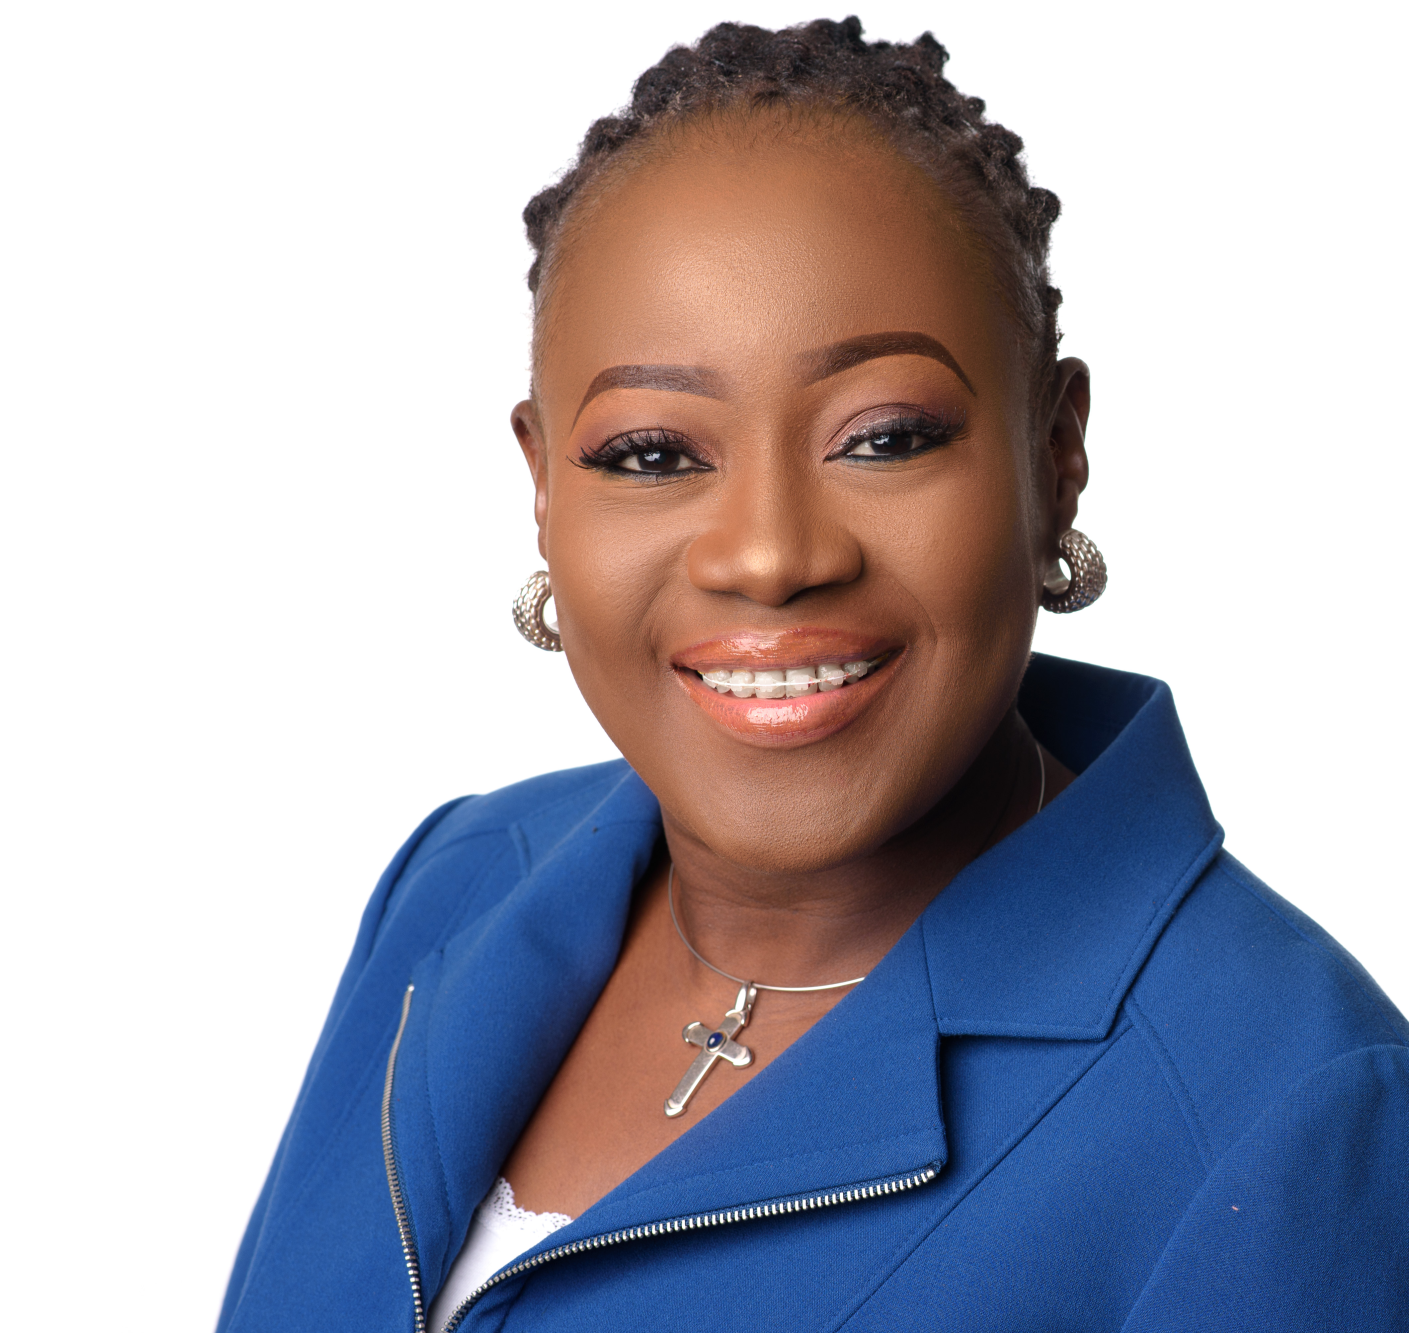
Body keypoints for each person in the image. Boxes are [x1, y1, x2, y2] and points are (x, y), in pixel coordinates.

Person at [215, 18, 1409, 1332]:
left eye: (884, 438)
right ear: (543, 485)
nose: (771, 556)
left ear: (1056, 453)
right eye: (653, 454)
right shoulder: (454, 881)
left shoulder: (1293, 1111)